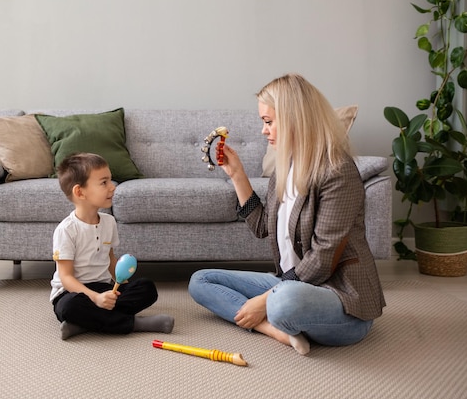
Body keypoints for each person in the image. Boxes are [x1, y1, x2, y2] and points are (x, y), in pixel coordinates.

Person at [188, 73, 386, 355]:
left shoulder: (338, 170)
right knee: (201, 281)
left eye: (269, 122)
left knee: (283, 303)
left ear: (296, 118)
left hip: (340, 298)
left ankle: (274, 314)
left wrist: (265, 300)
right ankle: (272, 329)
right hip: (289, 284)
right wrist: (237, 174)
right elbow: (261, 227)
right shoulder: (286, 167)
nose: (263, 130)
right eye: (263, 122)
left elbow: (323, 258)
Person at [50, 152, 174, 339]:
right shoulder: (66, 230)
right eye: (104, 182)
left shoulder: (109, 222)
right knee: (70, 307)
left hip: (103, 287)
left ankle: (84, 324)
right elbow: (66, 278)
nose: (113, 187)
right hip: (72, 292)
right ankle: (134, 324)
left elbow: (110, 259)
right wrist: (96, 298)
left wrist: (122, 279)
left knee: (146, 288)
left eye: (110, 181)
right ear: (79, 192)